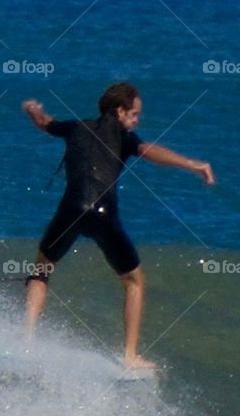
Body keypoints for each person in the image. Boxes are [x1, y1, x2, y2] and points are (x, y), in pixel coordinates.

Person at [21, 81, 215, 370]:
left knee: (41, 271)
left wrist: (33, 110)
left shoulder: (75, 127)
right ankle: (130, 356)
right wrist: (194, 165)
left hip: (71, 209)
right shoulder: (125, 137)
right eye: (134, 114)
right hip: (102, 212)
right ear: (120, 111)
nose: (136, 120)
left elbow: (46, 123)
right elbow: (150, 151)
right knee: (134, 281)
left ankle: (25, 342)